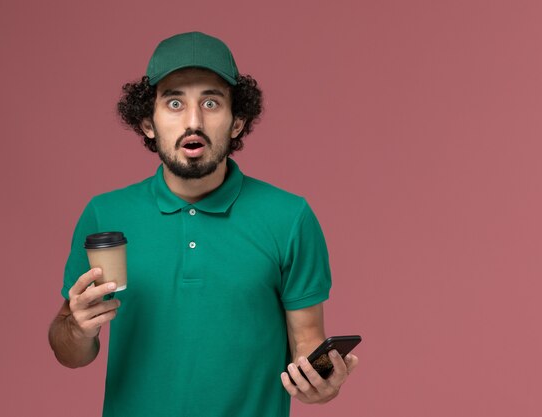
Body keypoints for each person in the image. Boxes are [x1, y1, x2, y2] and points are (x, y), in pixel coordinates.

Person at [48, 31, 358, 417]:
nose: (193, 121)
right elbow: (69, 352)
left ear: (236, 122)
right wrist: (78, 329)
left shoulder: (290, 218)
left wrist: (323, 382)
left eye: (211, 102)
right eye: (174, 102)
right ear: (148, 122)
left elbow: (307, 349)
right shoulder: (105, 215)